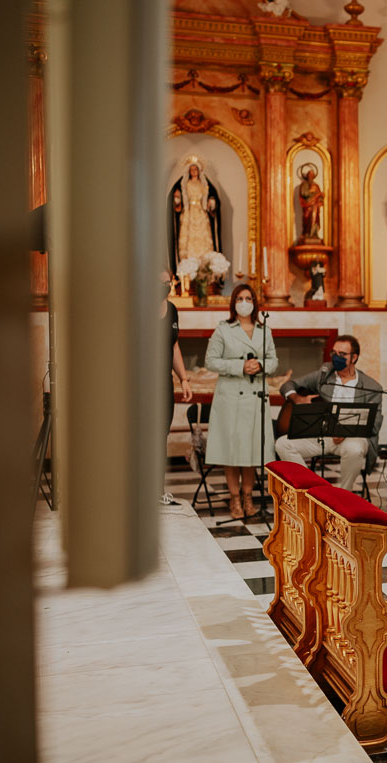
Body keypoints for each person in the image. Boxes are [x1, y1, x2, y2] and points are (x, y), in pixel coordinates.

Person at [204, 284, 277, 518]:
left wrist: (261, 365)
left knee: (252, 449)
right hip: (230, 395)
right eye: (240, 298)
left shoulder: (264, 330)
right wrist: (239, 366)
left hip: (256, 394)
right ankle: (234, 496)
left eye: (248, 298)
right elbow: (211, 361)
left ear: (255, 303)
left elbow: (274, 360)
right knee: (232, 448)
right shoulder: (223, 329)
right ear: (233, 303)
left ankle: (249, 495)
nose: (244, 302)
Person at [276, 335, 383, 492]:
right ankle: (310, 490)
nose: (336, 357)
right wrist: (296, 398)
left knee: (355, 449)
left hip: (350, 439)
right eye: (334, 353)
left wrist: (345, 431)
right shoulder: (324, 375)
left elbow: (374, 425)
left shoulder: (372, 387)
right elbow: (288, 385)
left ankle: (344, 496)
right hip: (321, 435)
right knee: (283, 444)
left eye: (342, 354)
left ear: (354, 358)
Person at [162, 268, 193, 505]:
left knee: (160, 435)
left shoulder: (171, 310)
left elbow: (174, 347)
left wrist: (183, 378)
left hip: (164, 383)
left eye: (167, 281)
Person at [169, 158, 221, 274]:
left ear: (198, 170)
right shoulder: (185, 184)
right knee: (188, 240)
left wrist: (211, 202)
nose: (193, 171)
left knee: (204, 240)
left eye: (195, 169)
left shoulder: (204, 184)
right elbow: (179, 199)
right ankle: (188, 270)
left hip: (201, 213)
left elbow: (210, 196)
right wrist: (177, 200)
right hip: (189, 213)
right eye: (191, 169)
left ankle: (205, 269)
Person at [297, 163, 324, 243]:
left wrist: (321, 198)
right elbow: (304, 193)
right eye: (309, 175)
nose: (310, 176)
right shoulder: (304, 185)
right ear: (307, 176)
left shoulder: (316, 186)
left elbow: (320, 197)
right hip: (307, 206)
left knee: (315, 220)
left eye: (312, 175)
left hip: (315, 207)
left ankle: (314, 234)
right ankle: (307, 234)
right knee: (307, 219)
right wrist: (314, 194)